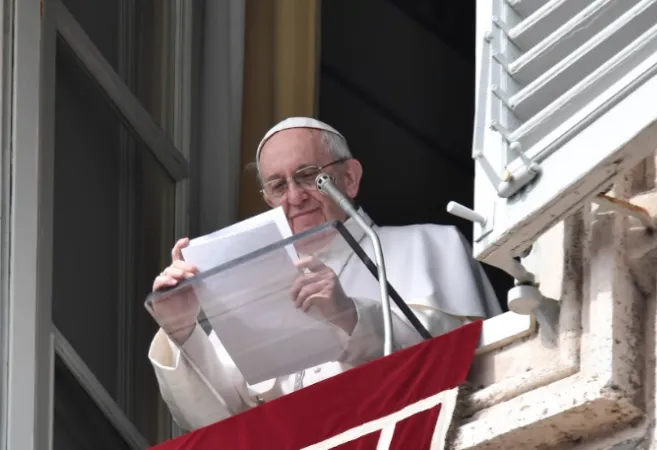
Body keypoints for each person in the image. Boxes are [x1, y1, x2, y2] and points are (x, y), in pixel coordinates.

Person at [148, 117, 501, 431]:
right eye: (277, 186)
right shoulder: (250, 281)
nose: (295, 197)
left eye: (307, 176)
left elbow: (460, 361)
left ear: (350, 178)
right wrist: (182, 331)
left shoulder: (429, 244)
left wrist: (348, 316)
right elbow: (219, 423)